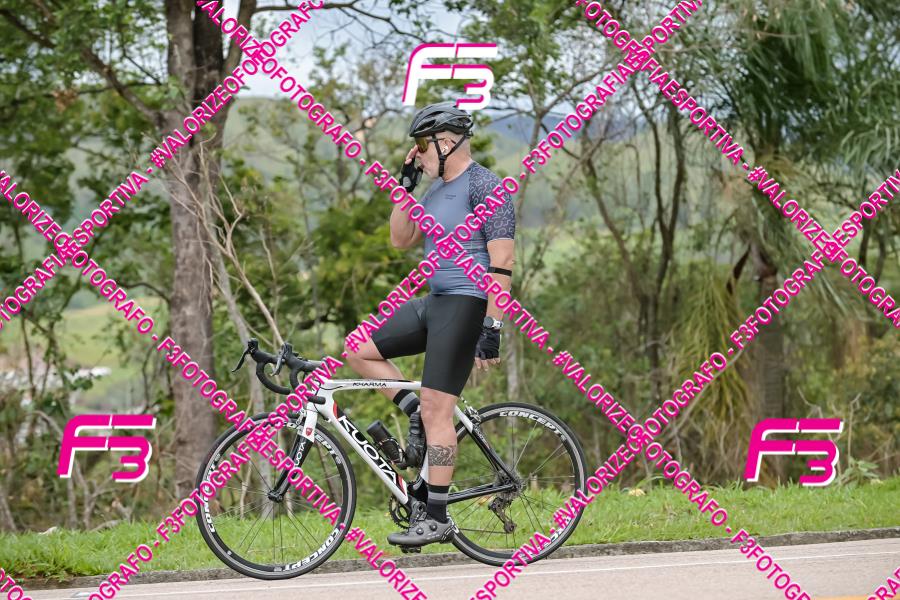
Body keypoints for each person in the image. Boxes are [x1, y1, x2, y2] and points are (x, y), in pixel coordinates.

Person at [345, 102, 516, 547]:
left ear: (447, 142)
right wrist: (405, 186)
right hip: (436, 301)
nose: (417, 153)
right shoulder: (435, 190)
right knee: (358, 348)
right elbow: (400, 238)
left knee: (438, 408)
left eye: (422, 144)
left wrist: (492, 326)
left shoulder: (485, 186)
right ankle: (413, 414)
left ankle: (436, 515)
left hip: (467, 303)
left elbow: (503, 262)